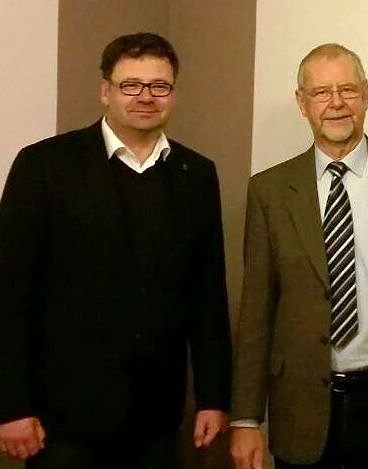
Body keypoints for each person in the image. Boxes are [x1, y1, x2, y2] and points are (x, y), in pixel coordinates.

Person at [0, 32, 232, 468]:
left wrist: (213, 397)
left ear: (173, 94)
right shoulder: (44, 165)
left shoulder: (197, 174)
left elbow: (207, 296)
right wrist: (11, 405)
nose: (145, 96)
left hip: (156, 418)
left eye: (159, 86)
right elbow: (8, 293)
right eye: (131, 85)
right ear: (105, 90)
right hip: (61, 419)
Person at [229, 43, 368, 469]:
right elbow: (257, 308)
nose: (336, 103)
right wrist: (246, 418)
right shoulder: (270, 191)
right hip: (302, 404)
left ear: (366, 94)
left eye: (347, 89)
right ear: (301, 102)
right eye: (321, 93)